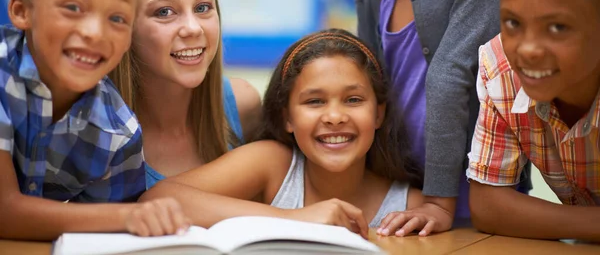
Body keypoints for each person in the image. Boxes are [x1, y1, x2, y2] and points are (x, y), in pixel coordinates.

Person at [356, 0, 532, 236]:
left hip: (474, 195)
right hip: (400, 202)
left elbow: (452, 68)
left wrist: (438, 200)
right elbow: (366, 96)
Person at [0, 0, 189, 240]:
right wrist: (128, 216)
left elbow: (102, 243)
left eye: (117, 18)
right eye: (73, 7)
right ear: (21, 10)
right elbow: (4, 211)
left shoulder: (119, 132)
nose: (94, 33)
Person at [139, 29, 424, 238]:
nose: (335, 117)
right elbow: (156, 200)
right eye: (315, 101)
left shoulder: (408, 208)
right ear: (287, 116)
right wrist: (294, 219)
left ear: (378, 113)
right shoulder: (274, 164)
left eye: (353, 100)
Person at [468, 0, 600, 241]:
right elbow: (488, 206)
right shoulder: (501, 70)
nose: (527, 49)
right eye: (513, 23)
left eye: (556, 27)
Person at [110, 0, 262, 189]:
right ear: (126, 26)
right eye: (165, 12)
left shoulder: (243, 107)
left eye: (203, 7)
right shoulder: (92, 126)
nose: (193, 28)